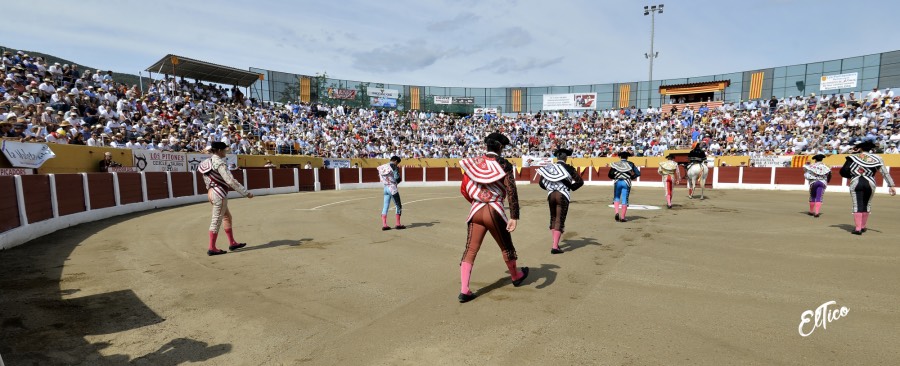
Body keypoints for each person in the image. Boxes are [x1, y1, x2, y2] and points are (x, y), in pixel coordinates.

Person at [457, 132, 527, 303]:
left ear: (486, 146)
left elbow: (464, 189)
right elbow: (511, 191)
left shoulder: (473, 163)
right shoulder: (504, 164)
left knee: (470, 250)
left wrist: (475, 202)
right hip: (494, 210)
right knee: (506, 246)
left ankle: (464, 290)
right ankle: (516, 275)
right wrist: (514, 216)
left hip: (475, 210)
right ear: (501, 148)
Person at [197, 141, 254, 255]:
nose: (226, 152)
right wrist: (245, 193)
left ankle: (232, 243)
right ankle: (212, 247)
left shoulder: (207, 162)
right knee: (216, 220)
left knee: (227, 217)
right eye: (224, 150)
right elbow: (230, 180)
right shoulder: (219, 163)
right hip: (219, 193)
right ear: (219, 150)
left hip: (211, 192)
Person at [839, 141, 895, 235]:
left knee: (857, 204)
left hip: (856, 182)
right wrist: (891, 185)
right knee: (867, 204)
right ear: (870, 149)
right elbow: (884, 173)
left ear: (860, 149)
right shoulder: (877, 158)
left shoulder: (852, 158)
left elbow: (843, 172)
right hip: (870, 182)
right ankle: (863, 226)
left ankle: (857, 228)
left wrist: (852, 175)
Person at [537, 147, 584, 254]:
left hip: (550, 195)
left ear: (557, 157)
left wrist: (550, 188)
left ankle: (555, 243)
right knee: (560, 219)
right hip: (563, 195)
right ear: (565, 158)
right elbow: (580, 181)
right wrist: (571, 187)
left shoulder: (549, 167)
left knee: (553, 218)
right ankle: (555, 247)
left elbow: (541, 183)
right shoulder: (569, 168)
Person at [608, 151, 640, 222]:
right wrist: (631, 177)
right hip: (626, 182)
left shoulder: (616, 164)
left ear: (620, 157)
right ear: (627, 157)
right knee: (624, 199)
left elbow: (610, 174)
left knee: (616, 197)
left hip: (617, 182)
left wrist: (615, 177)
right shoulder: (630, 164)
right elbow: (638, 173)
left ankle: (616, 212)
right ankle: (622, 217)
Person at [378, 156, 404, 230]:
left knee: (385, 206)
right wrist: (397, 181)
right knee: (398, 205)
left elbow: (381, 178)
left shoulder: (382, 167)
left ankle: (384, 225)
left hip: (385, 187)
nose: (397, 164)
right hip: (392, 188)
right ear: (395, 161)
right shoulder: (394, 167)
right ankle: (398, 224)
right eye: (398, 163)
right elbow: (397, 178)